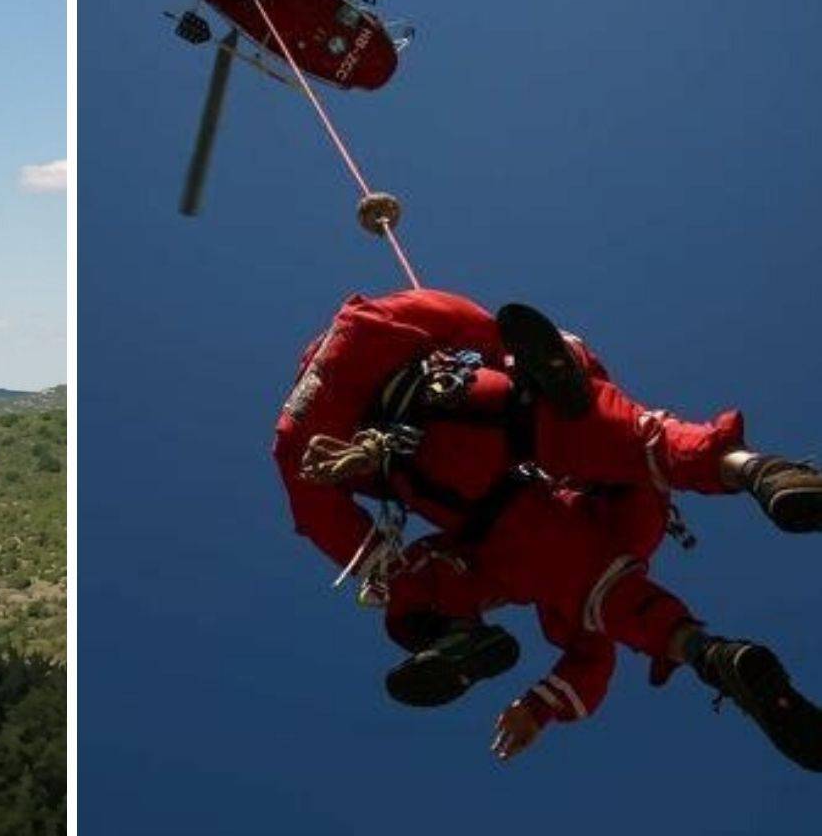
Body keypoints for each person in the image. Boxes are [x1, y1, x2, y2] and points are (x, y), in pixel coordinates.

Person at [272, 287, 822, 768]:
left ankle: (708, 655)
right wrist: (518, 354)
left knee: (556, 589)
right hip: (488, 415)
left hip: (470, 498)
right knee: (632, 439)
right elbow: (456, 315)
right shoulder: (359, 321)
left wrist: (381, 566)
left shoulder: (295, 427)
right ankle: (757, 472)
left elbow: (316, 512)